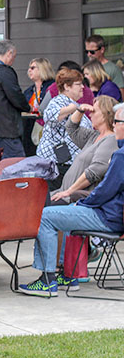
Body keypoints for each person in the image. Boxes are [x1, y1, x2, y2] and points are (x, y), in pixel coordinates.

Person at [20, 103, 124, 297]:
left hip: (108, 216)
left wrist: (81, 201)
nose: (115, 125)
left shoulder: (119, 154)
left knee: (45, 216)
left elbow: (105, 190)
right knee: (63, 211)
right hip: (110, 212)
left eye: (117, 122)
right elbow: (72, 129)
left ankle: (47, 279)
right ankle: (66, 274)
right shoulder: (105, 143)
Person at [50, 96, 118, 204]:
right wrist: (80, 110)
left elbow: (94, 172)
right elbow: (71, 128)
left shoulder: (111, 140)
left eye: (94, 111)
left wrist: (69, 191)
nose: (90, 114)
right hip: (64, 193)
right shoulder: (94, 136)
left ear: (105, 115)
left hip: (74, 198)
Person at [36, 68, 92, 168]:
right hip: (57, 164)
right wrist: (71, 109)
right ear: (67, 86)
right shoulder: (58, 101)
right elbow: (49, 117)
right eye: (78, 84)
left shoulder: (73, 103)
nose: (82, 87)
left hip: (69, 162)